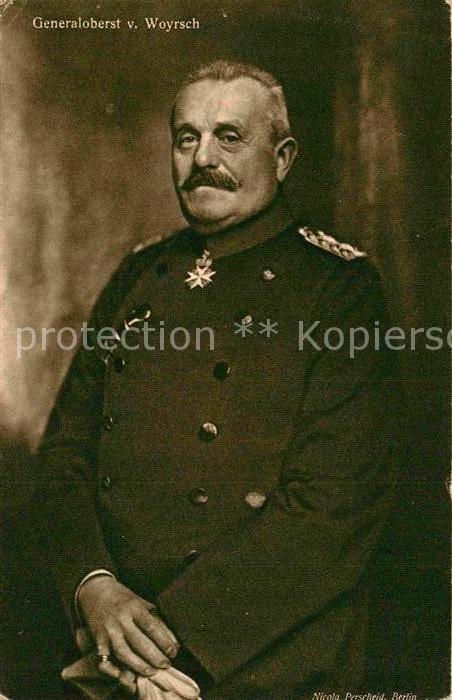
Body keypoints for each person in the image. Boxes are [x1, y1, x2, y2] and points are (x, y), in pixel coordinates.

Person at [36, 60, 399, 699]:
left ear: (282, 158)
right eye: (187, 138)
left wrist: (159, 647)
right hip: (103, 639)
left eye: (229, 137)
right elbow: (66, 455)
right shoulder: (138, 275)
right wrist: (93, 587)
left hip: (257, 659)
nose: (203, 158)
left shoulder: (339, 288)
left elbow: (332, 507)